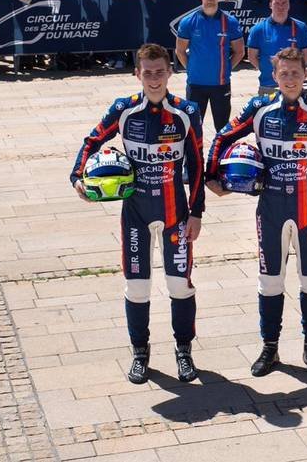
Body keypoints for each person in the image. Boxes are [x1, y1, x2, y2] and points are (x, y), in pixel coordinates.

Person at [205, 47, 307, 377]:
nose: (290, 79)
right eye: (284, 74)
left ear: (305, 75)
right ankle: (270, 348)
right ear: (274, 76)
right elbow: (223, 136)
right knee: (270, 282)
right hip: (270, 211)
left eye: (295, 74)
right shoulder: (259, 109)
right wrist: (213, 177)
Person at [70, 43, 205, 384]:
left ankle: (184, 351)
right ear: (137, 74)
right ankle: (140, 353)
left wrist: (197, 212)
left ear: (170, 72)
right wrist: (77, 178)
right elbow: (91, 142)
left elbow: (197, 163)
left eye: (160, 72)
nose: (154, 79)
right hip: (136, 213)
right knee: (137, 288)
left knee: (180, 286)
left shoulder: (186, 111)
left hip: (176, 212)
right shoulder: (123, 109)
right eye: (147, 73)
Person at [175, 0, 246, 130]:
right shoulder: (188, 22)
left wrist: (226, 67)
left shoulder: (230, 22)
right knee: (193, 129)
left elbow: (240, 51)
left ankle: (220, 154)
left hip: (221, 84)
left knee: (222, 130)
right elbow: (180, 51)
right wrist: (191, 68)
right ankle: (195, 155)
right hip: (195, 84)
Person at [247, 0, 307, 96]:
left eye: (284, 3)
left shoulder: (301, 27)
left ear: (289, 5)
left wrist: (294, 72)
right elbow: (252, 57)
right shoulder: (258, 29)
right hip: (267, 86)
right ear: (270, 5)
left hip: (293, 86)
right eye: (276, 3)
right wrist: (267, 69)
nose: (280, 6)